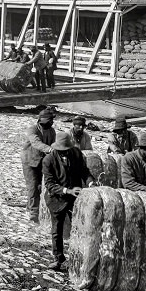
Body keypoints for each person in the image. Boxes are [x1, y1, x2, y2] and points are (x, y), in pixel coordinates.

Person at [41, 131, 94, 270]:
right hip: (56, 199)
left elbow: (84, 171)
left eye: (66, 151)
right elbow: (50, 184)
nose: (64, 153)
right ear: (56, 149)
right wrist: (67, 190)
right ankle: (58, 259)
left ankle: (80, 257)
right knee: (57, 230)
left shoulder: (76, 153)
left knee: (79, 227)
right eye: (61, 151)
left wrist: (90, 183)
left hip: (75, 199)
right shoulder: (48, 160)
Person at [20, 108, 56, 223]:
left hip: (42, 162)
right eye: (50, 120)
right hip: (29, 160)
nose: (52, 123)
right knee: (33, 186)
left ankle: (31, 207)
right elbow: (36, 143)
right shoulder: (32, 130)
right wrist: (50, 149)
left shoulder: (52, 131)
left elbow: (54, 144)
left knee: (41, 186)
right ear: (43, 120)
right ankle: (33, 213)